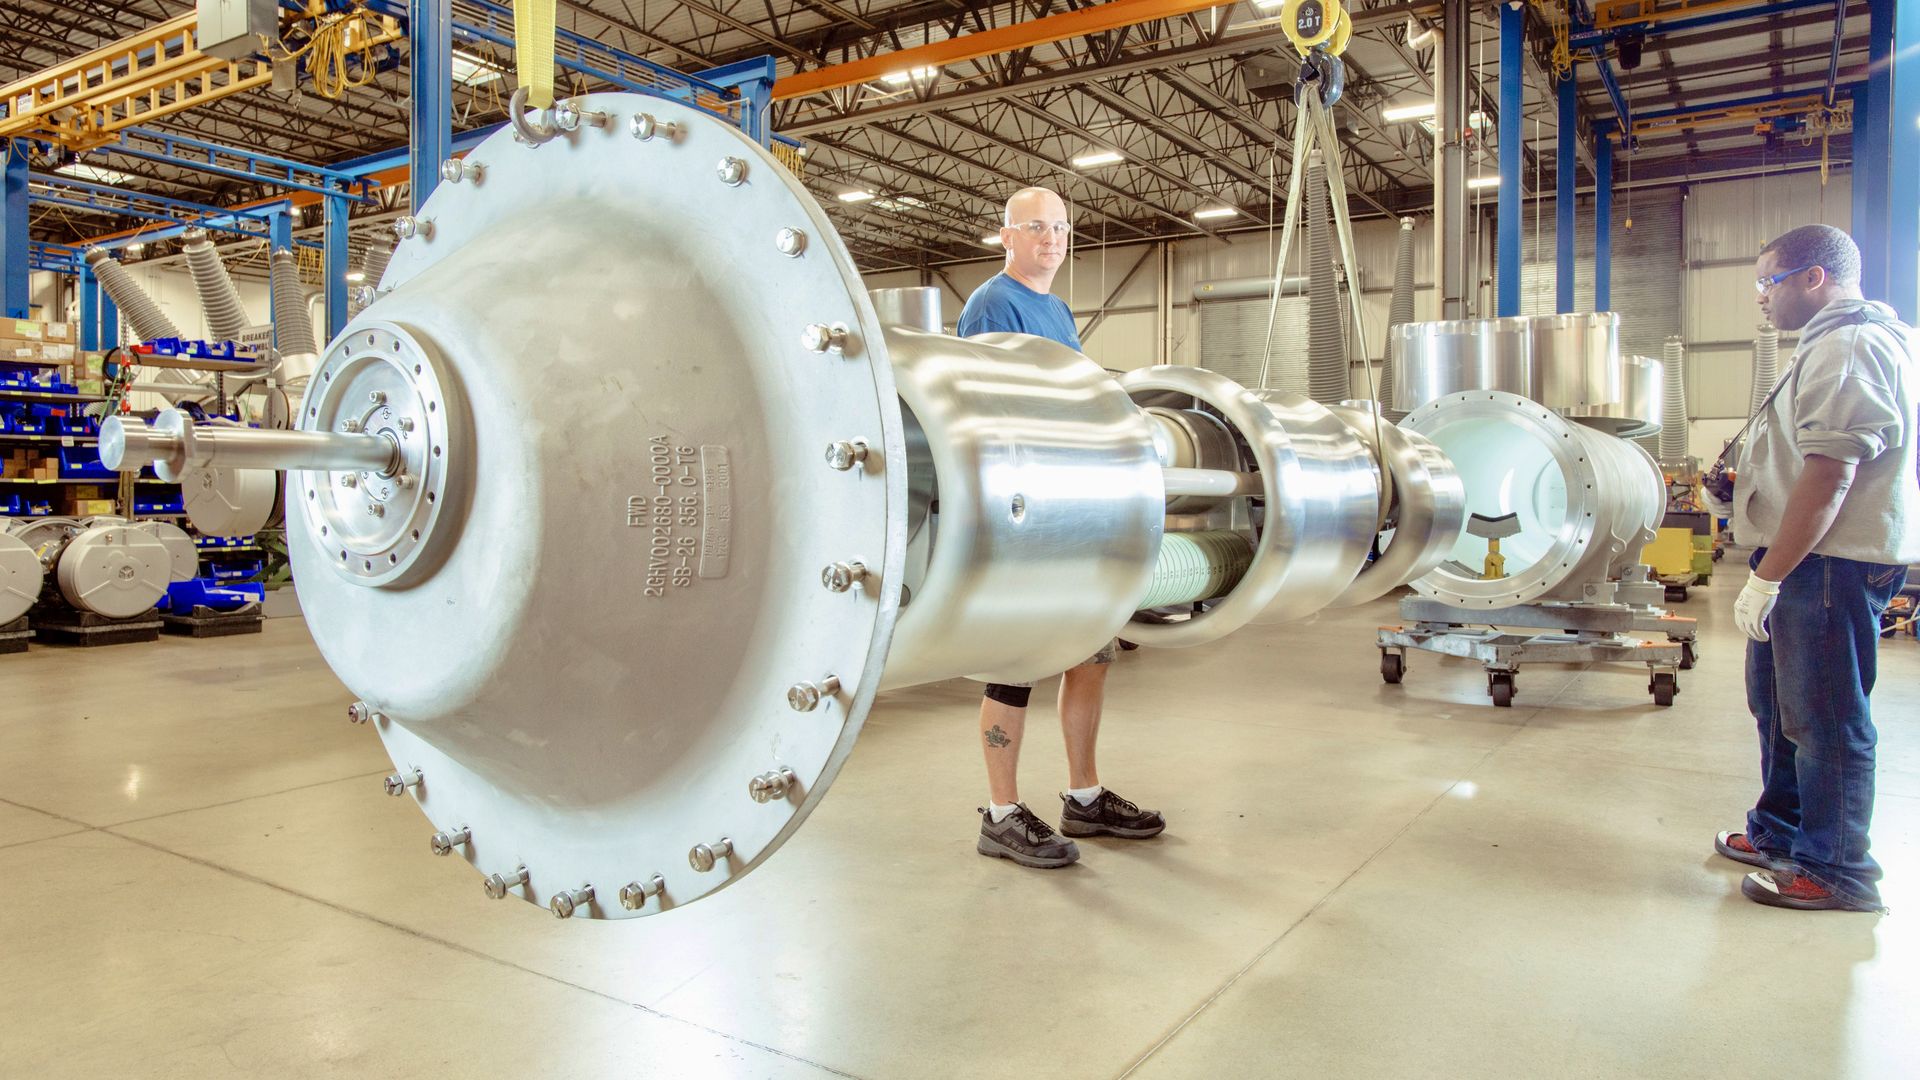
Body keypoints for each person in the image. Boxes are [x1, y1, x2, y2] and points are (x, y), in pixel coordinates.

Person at [956, 185, 1165, 869]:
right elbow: (982, 406)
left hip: (1073, 505)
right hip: (1025, 509)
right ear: (1007, 235)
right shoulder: (994, 302)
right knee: (1014, 665)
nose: (1052, 239)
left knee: (1088, 655)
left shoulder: (1055, 309)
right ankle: (1001, 814)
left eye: (1062, 229)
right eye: (1037, 227)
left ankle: (1084, 795)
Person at [1718, 224, 1919, 912]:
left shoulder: (1849, 346)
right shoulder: (1825, 347)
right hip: (1804, 560)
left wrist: (1769, 576)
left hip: (1827, 564)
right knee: (1778, 706)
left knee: (1826, 717)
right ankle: (1781, 829)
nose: (1761, 300)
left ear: (1814, 278)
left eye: (1768, 283)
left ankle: (1836, 869)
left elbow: (1832, 475)